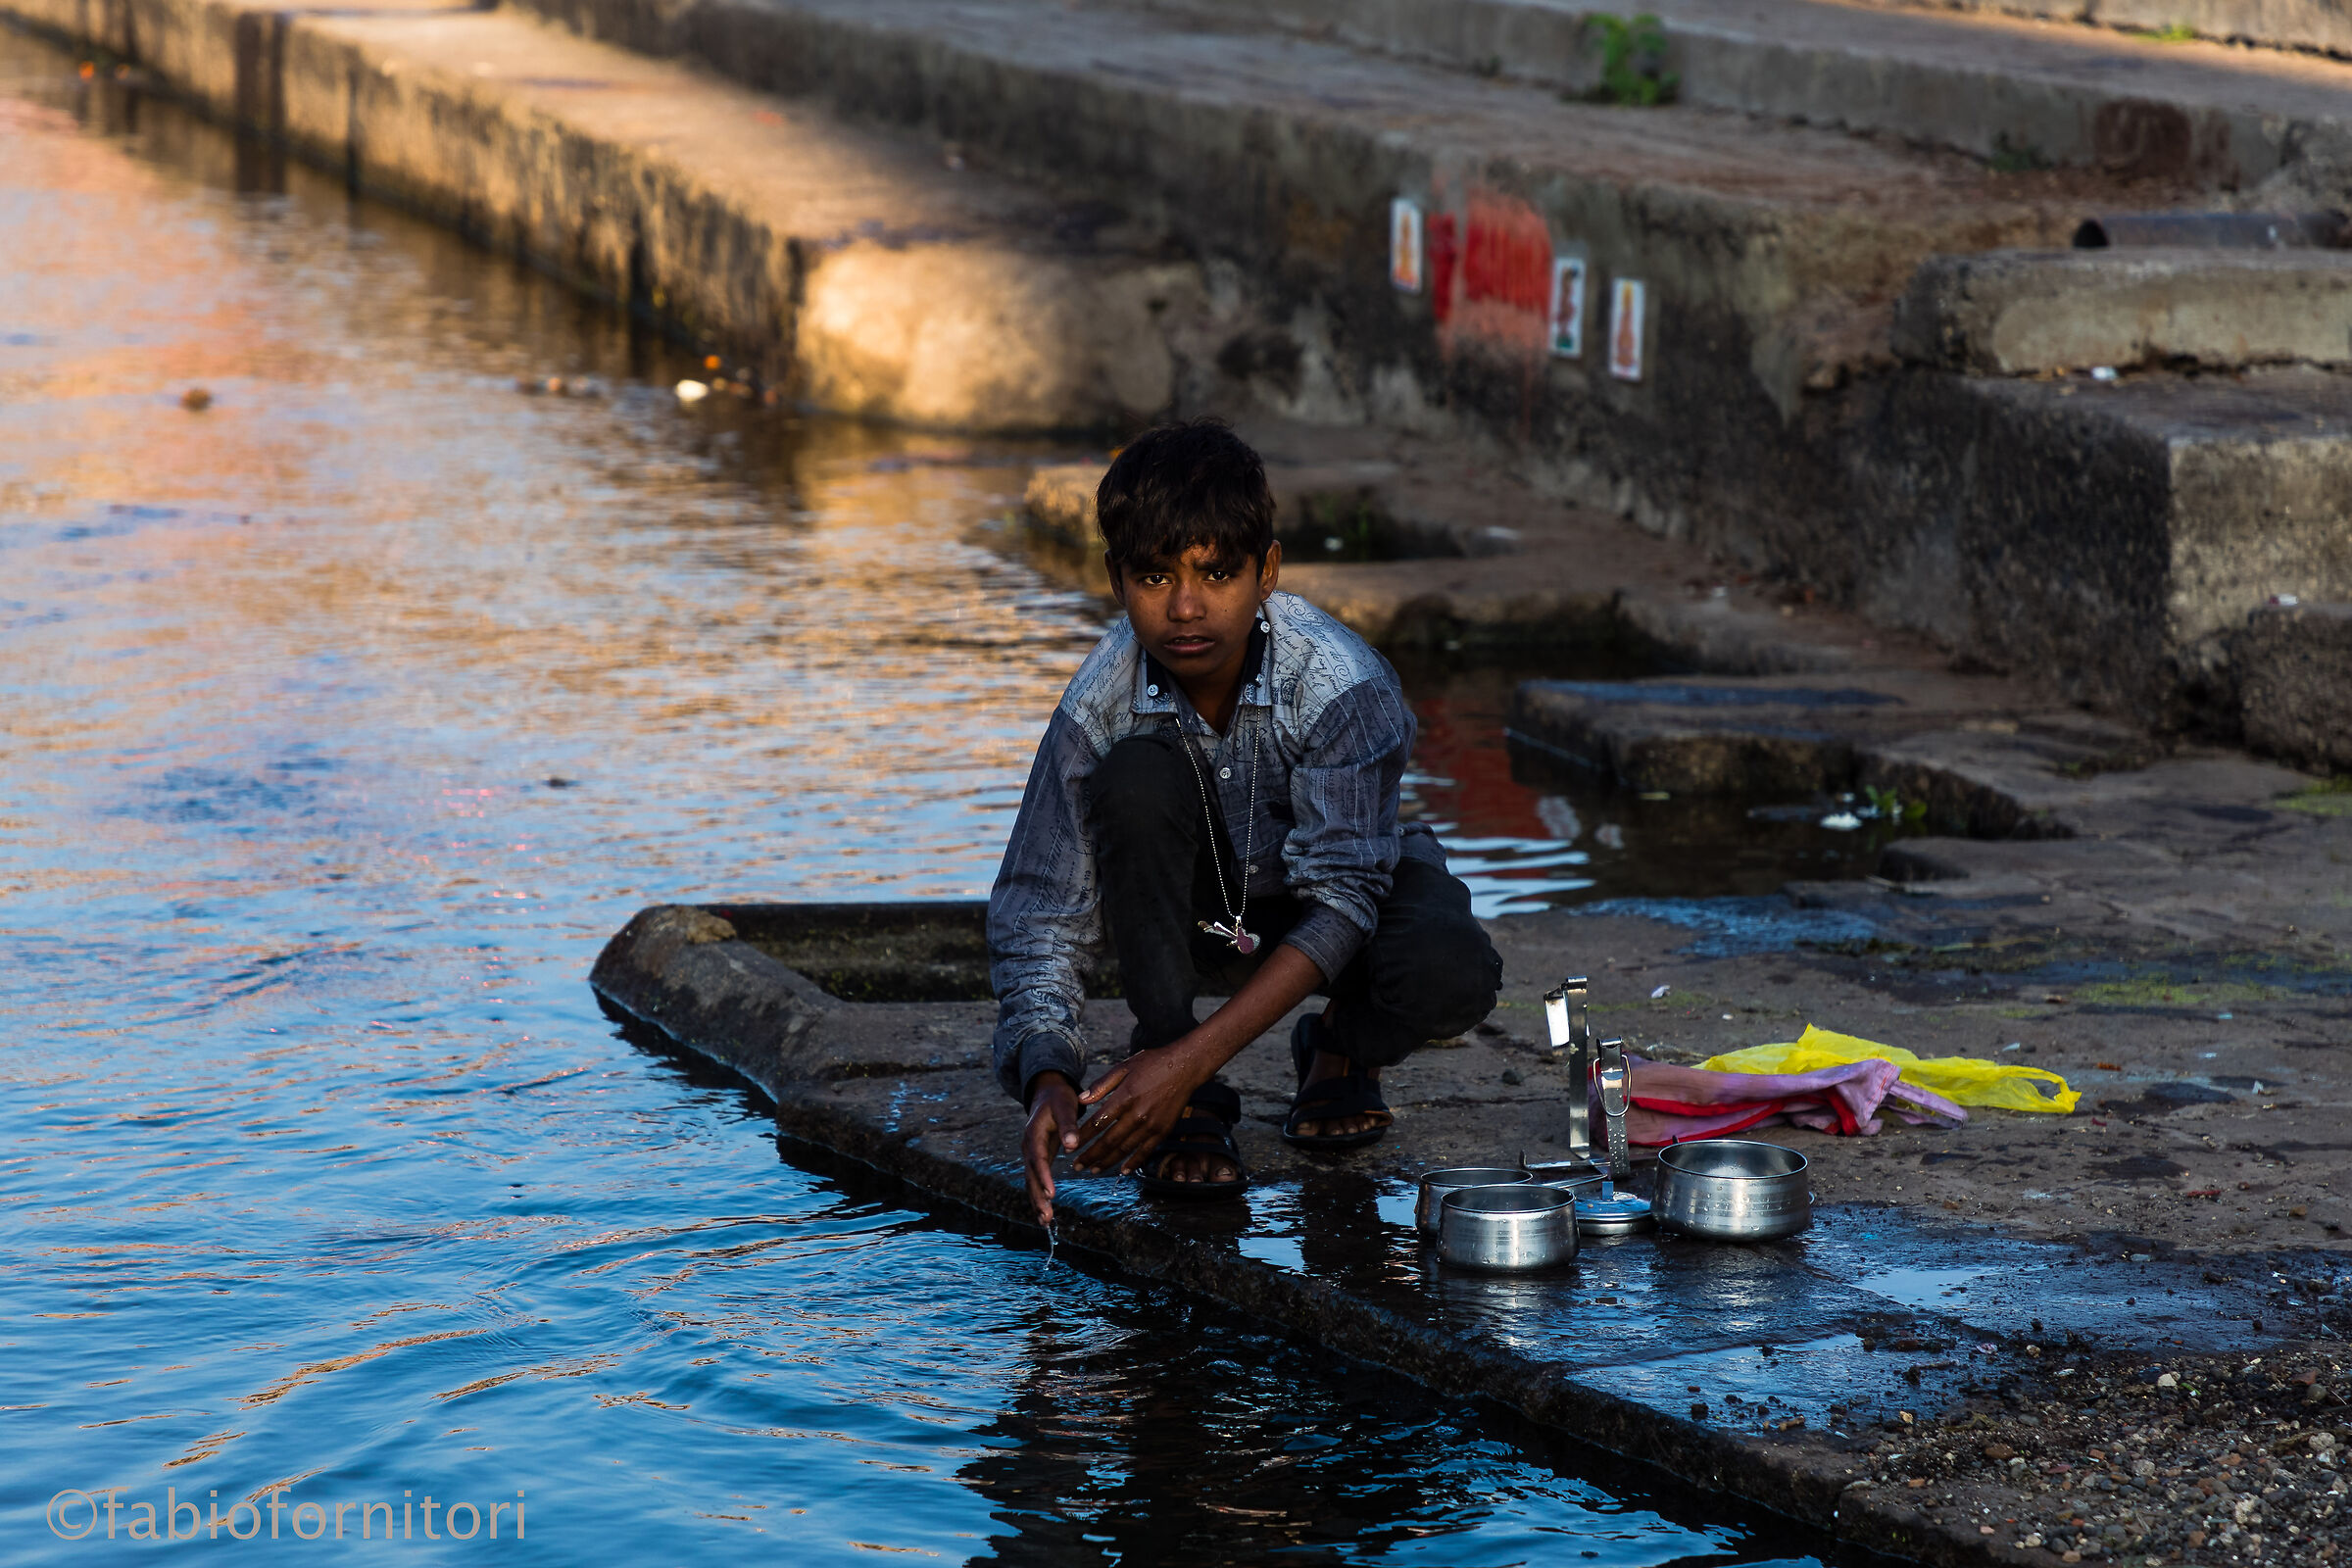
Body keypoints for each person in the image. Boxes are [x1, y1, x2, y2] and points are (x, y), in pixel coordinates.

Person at [988, 419, 1504, 1228]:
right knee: (1136, 774)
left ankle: (1335, 1046)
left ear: (1266, 572)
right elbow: (1039, 910)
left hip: (1333, 903)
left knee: (1451, 972)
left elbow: (1346, 896)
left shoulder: (1340, 681)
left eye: (1217, 573)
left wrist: (1189, 1061)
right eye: (1155, 578)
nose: (1185, 608)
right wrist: (1047, 1073)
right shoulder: (1098, 701)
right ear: (1117, 580)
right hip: (1198, 913)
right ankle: (1181, 1086)